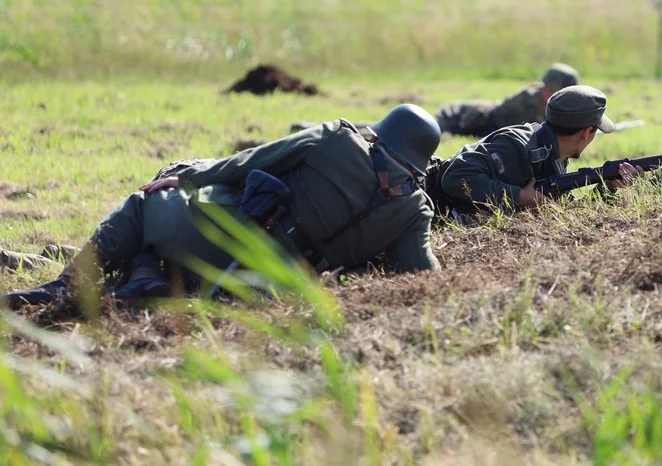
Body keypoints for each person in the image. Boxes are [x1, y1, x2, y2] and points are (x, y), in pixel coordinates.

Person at [3, 104, 444, 311]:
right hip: (269, 282)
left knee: (145, 204)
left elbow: (250, 162)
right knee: (162, 239)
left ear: (384, 130)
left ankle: (64, 287)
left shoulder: (337, 139)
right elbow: (422, 276)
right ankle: (145, 279)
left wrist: (188, 176)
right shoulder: (413, 211)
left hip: (223, 236)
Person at [427, 85, 643, 223]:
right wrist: (521, 197)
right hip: (425, 209)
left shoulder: (553, 154)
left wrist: (609, 188)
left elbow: (568, 213)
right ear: (587, 132)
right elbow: (455, 177)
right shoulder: (517, 147)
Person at [434, 63, 580, 138]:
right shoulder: (528, 99)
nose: (545, 92)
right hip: (486, 119)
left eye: (550, 90)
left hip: (495, 127)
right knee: (448, 123)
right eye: (545, 88)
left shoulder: (564, 106)